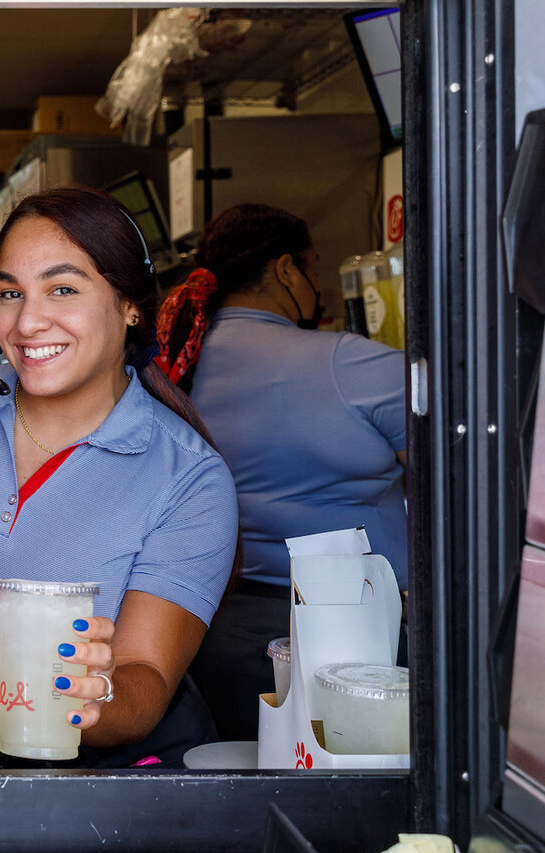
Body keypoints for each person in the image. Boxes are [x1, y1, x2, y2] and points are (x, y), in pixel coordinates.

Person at [0, 187, 239, 768]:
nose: (27, 321)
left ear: (130, 305)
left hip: (118, 766)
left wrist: (94, 696)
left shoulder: (188, 478)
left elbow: (145, 679)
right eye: (9, 293)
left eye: (62, 288)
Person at [157, 203, 407, 741]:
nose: (317, 287)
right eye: (314, 270)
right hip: (352, 636)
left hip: (209, 633)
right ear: (286, 270)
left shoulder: (177, 365)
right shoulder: (350, 363)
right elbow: (457, 468)